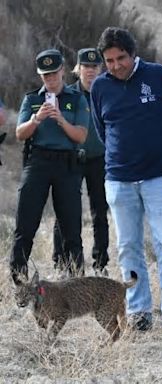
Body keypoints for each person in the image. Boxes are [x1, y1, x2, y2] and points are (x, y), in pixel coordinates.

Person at [90, 27, 162, 331]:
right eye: (109, 60)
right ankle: (139, 311)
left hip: (159, 177)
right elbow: (102, 130)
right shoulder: (99, 88)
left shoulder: (160, 76)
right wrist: (122, 158)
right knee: (127, 245)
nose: (116, 65)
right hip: (119, 179)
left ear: (133, 54)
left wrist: (161, 150)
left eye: (121, 58)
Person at [10, 49, 88, 280]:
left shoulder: (76, 99)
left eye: (54, 74)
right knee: (25, 224)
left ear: (63, 71)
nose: (50, 79)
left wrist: (61, 120)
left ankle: (76, 281)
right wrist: (37, 119)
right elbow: (19, 134)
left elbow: (81, 136)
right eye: (45, 76)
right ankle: (19, 280)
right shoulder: (32, 99)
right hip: (38, 162)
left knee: (71, 228)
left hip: (66, 164)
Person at [52, 48, 110, 276]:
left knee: (99, 212)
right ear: (78, 69)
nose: (91, 71)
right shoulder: (68, 95)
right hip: (71, 159)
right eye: (86, 66)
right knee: (65, 211)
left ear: (101, 69)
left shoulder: (107, 93)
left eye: (95, 67)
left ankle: (100, 264)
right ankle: (61, 262)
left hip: (99, 159)